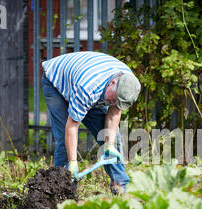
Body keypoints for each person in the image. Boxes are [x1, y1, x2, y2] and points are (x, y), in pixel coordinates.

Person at [41, 51, 141, 194]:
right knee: (65, 140)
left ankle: (121, 187)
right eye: (114, 99)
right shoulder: (87, 89)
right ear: (112, 83)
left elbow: (114, 113)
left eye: (117, 102)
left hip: (87, 84)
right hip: (56, 82)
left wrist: (109, 144)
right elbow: (72, 126)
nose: (113, 103)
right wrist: (73, 163)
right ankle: (63, 191)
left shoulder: (127, 84)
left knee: (113, 140)